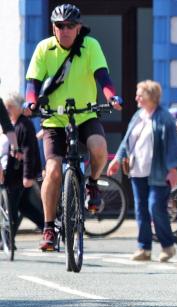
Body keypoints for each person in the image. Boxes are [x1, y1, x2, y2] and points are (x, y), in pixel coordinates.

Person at [24, 4, 123, 251]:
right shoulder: (43, 49)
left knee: (98, 146)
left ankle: (92, 183)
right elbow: (32, 83)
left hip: (85, 114)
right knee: (54, 169)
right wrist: (31, 102)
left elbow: (103, 78)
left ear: (78, 28)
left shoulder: (91, 46)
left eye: (70, 26)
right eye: (60, 26)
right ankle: (48, 228)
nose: (65, 30)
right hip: (54, 119)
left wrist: (112, 97)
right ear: (53, 28)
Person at [107, 80, 177, 262]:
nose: (136, 98)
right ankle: (144, 248)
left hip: (158, 171)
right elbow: (126, 141)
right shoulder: (138, 116)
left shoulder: (164, 117)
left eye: (140, 94)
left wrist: (173, 169)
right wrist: (117, 159)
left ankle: (167, 246)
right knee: (141, 210)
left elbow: (172, 145)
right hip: (137, 171)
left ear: (151, 97)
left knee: (155, 207)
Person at [1, 93, 44, 238]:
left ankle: (6, 239)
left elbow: (29, 153)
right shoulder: (17, 124)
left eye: (10, 107)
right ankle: (51, 229)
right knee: (24, 207)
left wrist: (27, 176)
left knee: (12, 207)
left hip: (19, 175)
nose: (7, 111)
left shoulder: (24, 125)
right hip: (16, 174)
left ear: (19, 108)